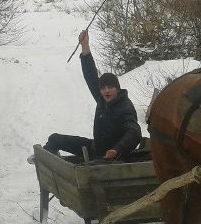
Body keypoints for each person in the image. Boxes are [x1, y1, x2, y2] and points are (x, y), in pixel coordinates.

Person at [29, 30, 142, 163]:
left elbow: (134, 133)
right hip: (96, 148)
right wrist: (85, 46)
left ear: (117, 88)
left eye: (110, 87)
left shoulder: (125, 107)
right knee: (55, 138)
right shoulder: (103, 99)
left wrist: (117, 150)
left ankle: (54, 166)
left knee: (81, 167)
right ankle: (46, 158)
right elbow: (91, 76)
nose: (106, 91)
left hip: (112, 158)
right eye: (103, 88)